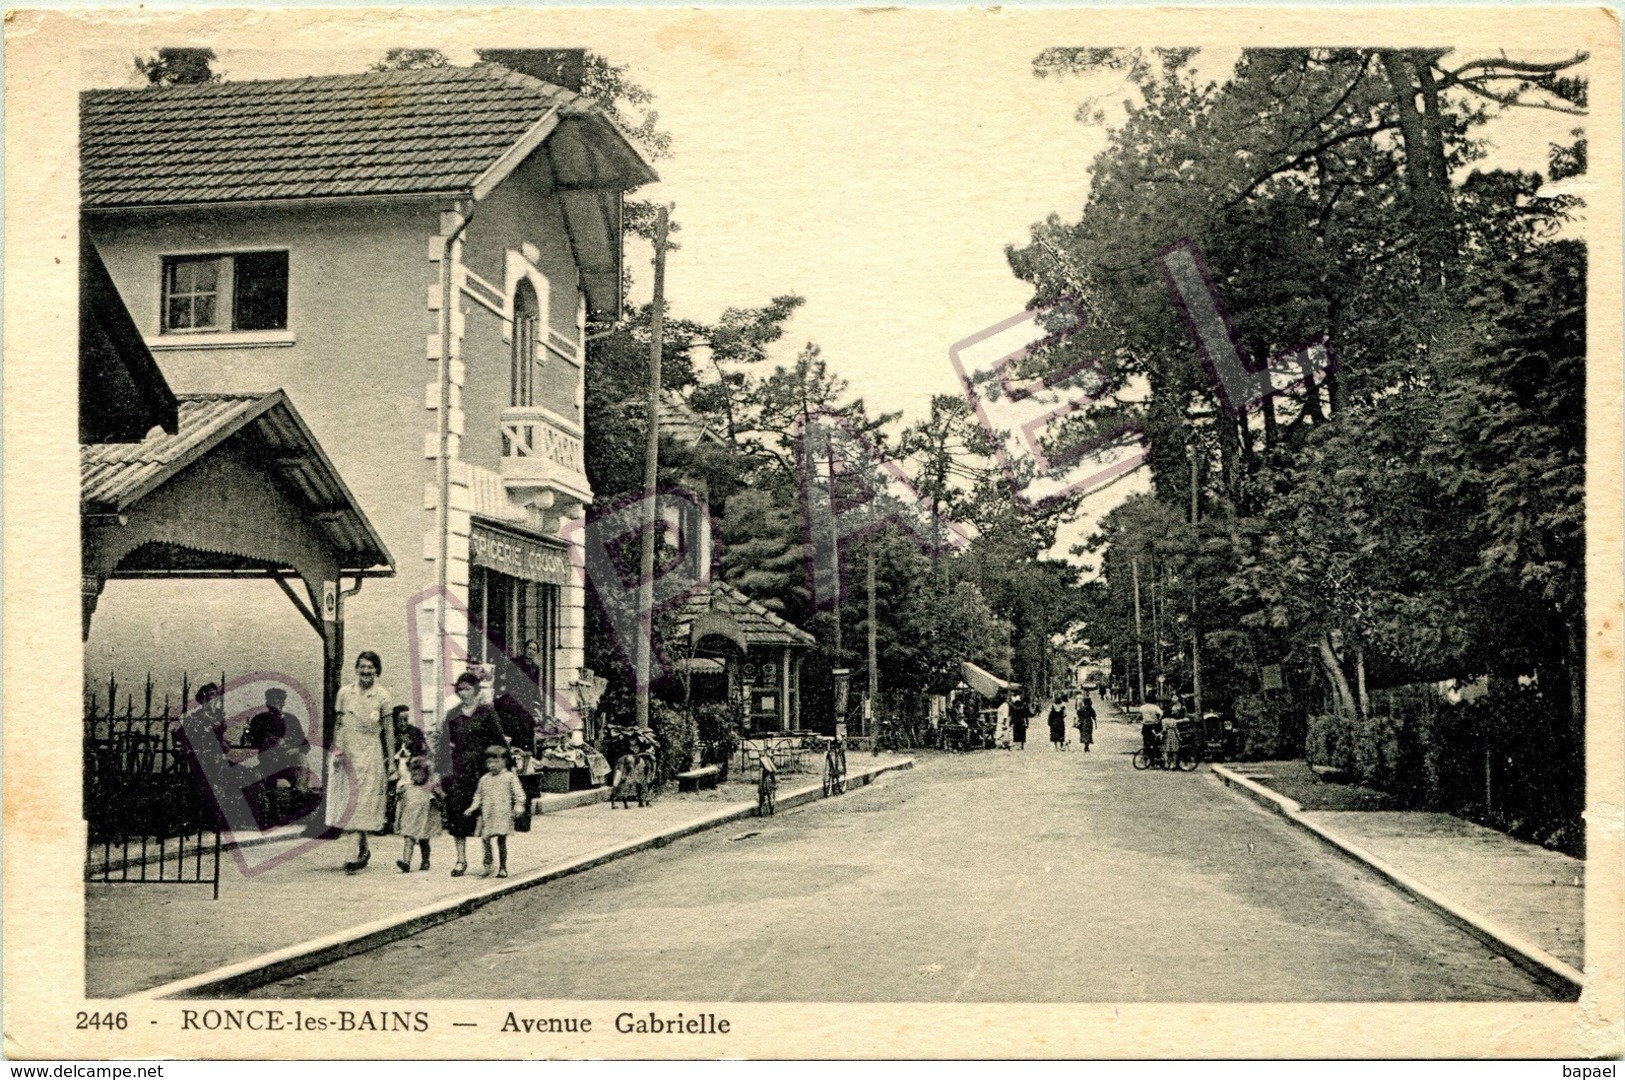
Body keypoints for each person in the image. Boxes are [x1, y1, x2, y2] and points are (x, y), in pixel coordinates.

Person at [326, 651, 395, 873]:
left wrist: (391, 761)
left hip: (371, 752)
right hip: (348, 751)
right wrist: (335, 751)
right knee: (350, 800)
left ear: (377, 670)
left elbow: (389, 731)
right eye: (362, 667)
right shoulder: (345, 693)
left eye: (371, 667)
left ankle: (353, 853)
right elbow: (338, 724)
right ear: (356, 669)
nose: (366, 671)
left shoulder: (383, 696)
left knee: (363, 800)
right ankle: (362, 848)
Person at [439, 670, 505, 877]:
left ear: (475, 690)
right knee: (458, 814)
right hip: (459, 770)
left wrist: (501, 769)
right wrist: (442, 774)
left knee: (485, 815)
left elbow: (499, 743)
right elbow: (443, 746)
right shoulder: (453, 715)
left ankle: (487, 855)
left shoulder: (486, 713)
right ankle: (461, 860)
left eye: (467, 689)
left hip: (483, 771)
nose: (463, 693)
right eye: (460, 689)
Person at [242, 688, 311, 822]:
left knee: (301, 760)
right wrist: (267, 742)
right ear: (267, 703)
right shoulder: (259, 719)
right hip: (269, 760)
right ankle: (275, 812)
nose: (276, 703)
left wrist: (289, 746)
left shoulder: (292, 720)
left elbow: (305, 745)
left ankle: (296, 804)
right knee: (268, 768)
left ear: (284, 702)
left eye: (279, 700)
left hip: (289, 760)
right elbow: (252, 742)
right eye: (273, 700)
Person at [464, 745, 527, 878]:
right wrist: (473, 807)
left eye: (496, 762)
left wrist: (519, 806)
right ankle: (488, 863)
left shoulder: (509, 777)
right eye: (489, 762)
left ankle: (503, 867)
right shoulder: (484, 779)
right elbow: (478, 795)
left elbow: (519, 794)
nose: (492, 765)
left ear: (504, 761)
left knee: (501, 840)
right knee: (485, 838)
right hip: (487, 814)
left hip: (503, 814)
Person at [393, 755, 441, 872]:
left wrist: (436, 796)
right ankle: (406, 862)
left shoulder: (429, 788)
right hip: (410, 820)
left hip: (424, 821)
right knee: (408, 840)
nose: (415, 777)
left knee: (424, 841)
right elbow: (400, 806)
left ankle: (425, 860)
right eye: (413, 774)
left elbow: (440, 804)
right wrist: (397, 821)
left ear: (426, 775)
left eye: (419, 774)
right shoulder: (406, 788)